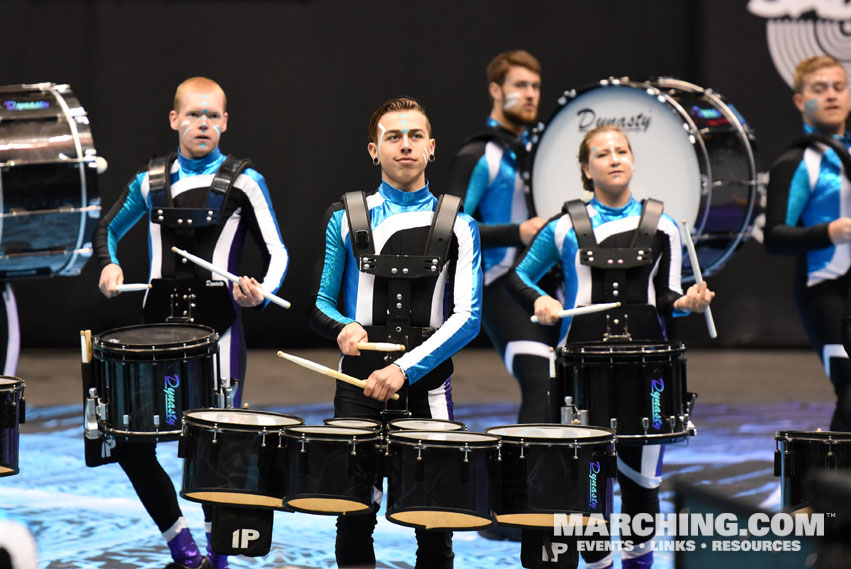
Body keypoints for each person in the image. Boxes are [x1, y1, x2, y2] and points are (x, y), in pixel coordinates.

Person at [93, 77, 288, 569]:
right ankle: (182, 548)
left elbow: (278, 252)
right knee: (128, 441)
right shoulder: (150, 179)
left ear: (225, 123)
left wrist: (261, 290)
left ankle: (217, 559)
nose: (203, 123)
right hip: (154, 338)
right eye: (194, 114)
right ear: (175, 119)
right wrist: (109, 264)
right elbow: (108, 230)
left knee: (215, 447)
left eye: (213, 115)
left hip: (219, 333)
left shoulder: (245, 181)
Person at [507, 125, 713, 569]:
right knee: (591, 482)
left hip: (649, 373)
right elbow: (518, 276)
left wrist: (688, 302)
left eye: (622, 151)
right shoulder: (563, 227)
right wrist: (541, 298)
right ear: (586, 168)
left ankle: (638, 564)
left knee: (642, 484)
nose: (615, 158)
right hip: (579, 370)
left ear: (634, 161)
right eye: (602, 153)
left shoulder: (666, 226)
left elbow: (667, 298)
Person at [308, 96, 482, 569]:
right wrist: (342, 326)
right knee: (354, 515)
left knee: (435, 520)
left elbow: (468, 318)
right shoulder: (343, 216)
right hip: (357, 388)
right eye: (393, 136)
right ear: (373, 150)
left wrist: (403, 370)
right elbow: (320, 304)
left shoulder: (461, 225)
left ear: (431, 148)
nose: (405, 145)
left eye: (415, 136)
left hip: (428, 388)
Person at [445, 50, 560, 424]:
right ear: (496, 89)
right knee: (542, 387)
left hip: (550, 285)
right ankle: (525, 484)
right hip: (501, 285)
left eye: (536, 86)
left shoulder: (542, 154)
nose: (530, 94)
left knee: (567, 387)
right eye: (520, 85)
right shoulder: (479, 154)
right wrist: (518, 231)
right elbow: (448, 229)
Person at [765, 56, 851, 432]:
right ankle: (827, 487)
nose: (831, 95)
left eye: (838, 86)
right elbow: (775, 237)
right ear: (800, 101)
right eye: (819, 89)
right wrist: (830, 232)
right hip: (826, 291)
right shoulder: (796, 162)